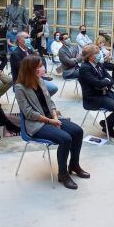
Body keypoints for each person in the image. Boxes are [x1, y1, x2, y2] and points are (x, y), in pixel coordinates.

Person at [15, 56, 87, 190]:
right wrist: (50, 121)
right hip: (36, 124)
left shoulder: (40, 81)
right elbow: (28, 113)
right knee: (65, 138)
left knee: (78, 131)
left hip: (51, 118)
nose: (43, 68)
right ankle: (63, 174)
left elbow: (50, 102)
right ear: (31, 69)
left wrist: (54, 116)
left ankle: (74, 165)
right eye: (40, 66)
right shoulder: (20, 88)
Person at [78, 44, 114, 139]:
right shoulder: (85, 68)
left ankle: (106, 123)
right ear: (89, 56)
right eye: (96, 53)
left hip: (106, 92)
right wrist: (104, 83)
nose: (99, 54)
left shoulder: (98, 64)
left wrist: (104, 83)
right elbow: (97, 83)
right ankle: (109, 127)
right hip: (94, 97)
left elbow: (110, 79)